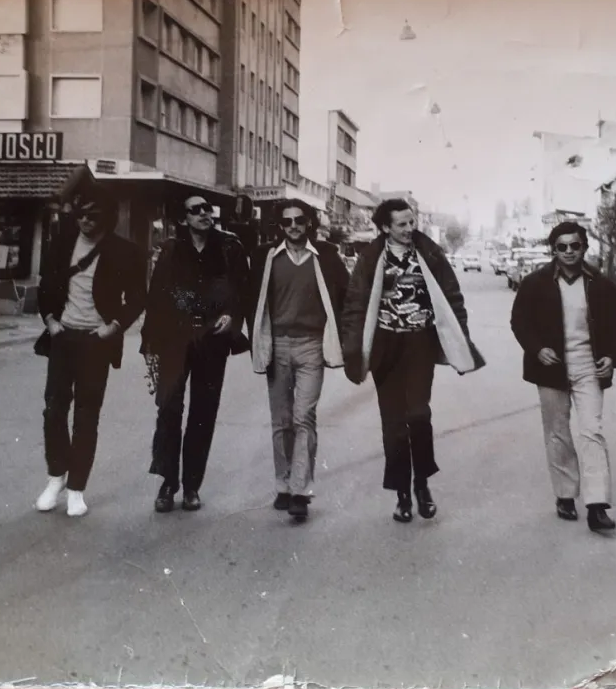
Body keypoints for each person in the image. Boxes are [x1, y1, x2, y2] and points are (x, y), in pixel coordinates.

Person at [341, 198, 485, 523]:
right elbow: (354, 305)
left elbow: (452, 295)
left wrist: (459, 337)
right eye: (402, 224)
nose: (409, 228)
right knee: (393, 424)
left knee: (418, 415)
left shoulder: (430, 253)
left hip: (419, 344)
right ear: (386, 227)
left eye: (411, 222)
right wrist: (352, 348)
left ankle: (422, 485)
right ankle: (402, 494)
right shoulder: (370, 258)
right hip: (385, 347)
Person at [35, 185, 147, 517]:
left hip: (95, 342)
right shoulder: (61, 244)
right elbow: (46, 284)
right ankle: (56, 477)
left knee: (86, 415)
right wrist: (51, 320)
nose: (85, 220)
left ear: (108, 218)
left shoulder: (126, 252)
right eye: (81, 213)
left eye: (93, 215)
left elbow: (139, 298)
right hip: (64, 336)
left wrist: (112, 328)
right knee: (54, 409)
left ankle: (76, 489)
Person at [509, 221, 616, 533]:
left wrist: (611, 357)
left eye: (574, 246)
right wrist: (537, 350)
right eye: (562, 247)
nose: (569, 252)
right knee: (558, 432)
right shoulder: (536, 282)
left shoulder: (599, 284)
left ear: (584, 247)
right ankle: (565, 495)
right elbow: (519, 321)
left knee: (592, 432)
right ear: (554, 250)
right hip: (551, 368)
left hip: (589, 367)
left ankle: (597, 505)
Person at [141, 196, 251, 514]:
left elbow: (244, 289)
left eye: (207, 209)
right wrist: (151, 346)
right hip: (174, 340)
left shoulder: (230, 247)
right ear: (184, 218)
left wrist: (232, 316)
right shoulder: (172, 250)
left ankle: (191, 486)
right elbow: (157, 295)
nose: (204, 214)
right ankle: (167, 483)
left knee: (203, 414)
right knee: (169, 411)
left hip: (212, 341)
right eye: (196, 210)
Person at [246, 199, 349, 522]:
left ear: (309, 224)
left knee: (304, 416)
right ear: (280, 226)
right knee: (282, 420)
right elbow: (253, 300)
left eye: (300, 220)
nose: (293, 226)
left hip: (310, 346)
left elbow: (346, 297)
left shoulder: (327, 257)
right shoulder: (266, 257)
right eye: (287, 221)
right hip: (277, 344)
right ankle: (283, 484)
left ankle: (300, 492)